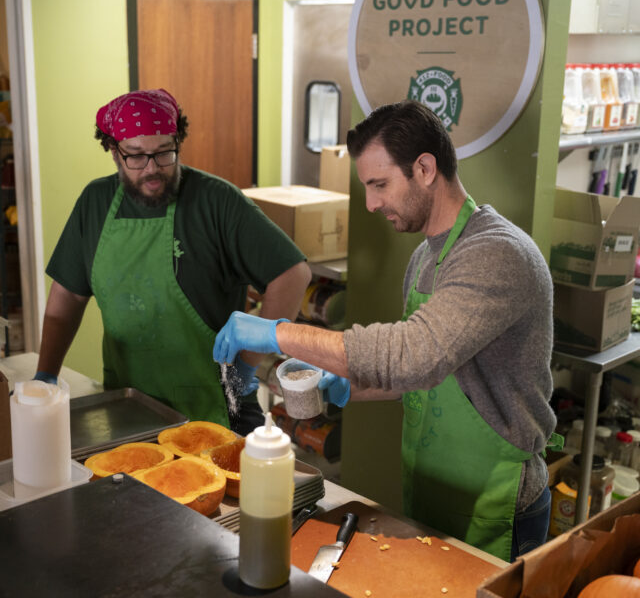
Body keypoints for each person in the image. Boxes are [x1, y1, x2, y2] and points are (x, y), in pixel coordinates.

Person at [213, 100, 561, 562]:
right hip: (432, 484)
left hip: (497, 503)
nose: (372, 204)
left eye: (380, 185)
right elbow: (423, 374)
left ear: (425, 169)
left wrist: (277, 332)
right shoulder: (424, 258)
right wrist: (347, 385)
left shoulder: (496, 253)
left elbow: (414, 355)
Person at [36, 88, 311, 436]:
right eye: (136, 156)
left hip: (214, 407)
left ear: (177, 142)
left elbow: (293, 274)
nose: (152, 169)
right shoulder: (95, 202)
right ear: (114, 152)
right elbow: (67, 299)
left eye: (164, 152)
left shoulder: (216, 202)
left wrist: (247, 362)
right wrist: (45, 376)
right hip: (130, 407)